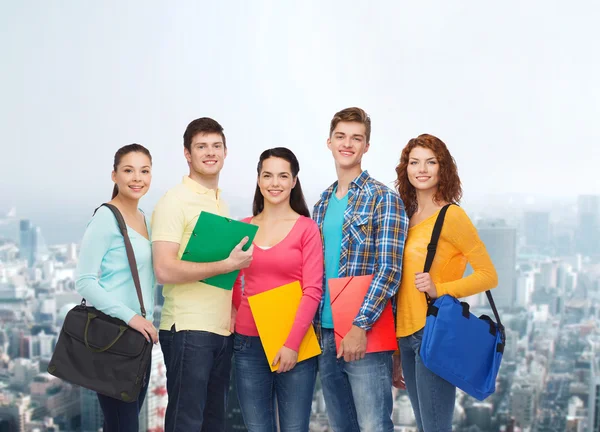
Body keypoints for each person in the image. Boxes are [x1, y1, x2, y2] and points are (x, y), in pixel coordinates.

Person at [151, 117, 253, 432]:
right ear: (187, 153)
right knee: (186, 422)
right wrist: (227, 265)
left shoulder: (220, 203)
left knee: (213, 424)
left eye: (216, 146)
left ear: (225, 151)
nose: (210, 153)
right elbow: (163, 268)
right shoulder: (174, 201)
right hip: (188, 329)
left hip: (221, 330)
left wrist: (234, 307)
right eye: (201, 146)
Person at [393, 134, 498, 432]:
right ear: (406, 169)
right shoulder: (407, 215)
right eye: (414, 162)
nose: (422, 169)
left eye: (430, 162)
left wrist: (441, 288)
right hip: (405, 336)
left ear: (443, 169)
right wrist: (396, 352)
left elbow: (488, 274)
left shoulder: (452, 216)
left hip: (433, 332)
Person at [312, 107, 409, 431]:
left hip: (364, 334)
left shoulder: (384, 198)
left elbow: (390, 270)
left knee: (373, 426)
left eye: (357, 138)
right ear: (329, 142)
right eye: (341, 136)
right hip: (325, 333)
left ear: (366, 146)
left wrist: (358, 325)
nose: (347, 144)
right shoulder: (322, 203)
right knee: (342, 426)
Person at [231, 147, 323, 432]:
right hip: (248, 343)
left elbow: (313, 290)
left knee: (295, 428)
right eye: (268, 175)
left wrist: (291, 344)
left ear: (294, 181)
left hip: (295, 343)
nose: (275, 183)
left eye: (283, 176)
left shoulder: (306, 228)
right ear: (258, 180)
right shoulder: (243, 227)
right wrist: (235, 313)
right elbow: (231, 278)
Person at [75, 143, 157, 432]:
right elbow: (84, 280)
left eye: (144, 171)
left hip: (140, 342)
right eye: (129, 170)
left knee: (119, 425)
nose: (137, 178)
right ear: (114, 176)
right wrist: (132, 317)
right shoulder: (106, 218)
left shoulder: (145, 218)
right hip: (113, 339)